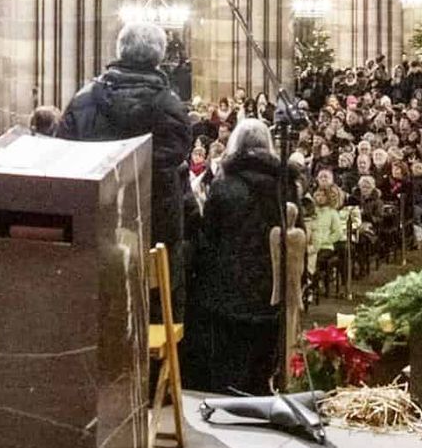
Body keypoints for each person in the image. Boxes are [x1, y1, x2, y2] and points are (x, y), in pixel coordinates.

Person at [59, 22, 192, 313]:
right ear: (159, 57)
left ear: (120, 50)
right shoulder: (169, 105)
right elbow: (178, 153)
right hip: (153, 226)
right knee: (153, 310)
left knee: (96, 310)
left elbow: (63, 154)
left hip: (94, 222)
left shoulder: (83, 101)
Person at [188, 118, 292, 394]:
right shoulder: (283, 185)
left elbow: (207, 240)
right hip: (271, 290)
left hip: (227, 291)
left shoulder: (223, 186)